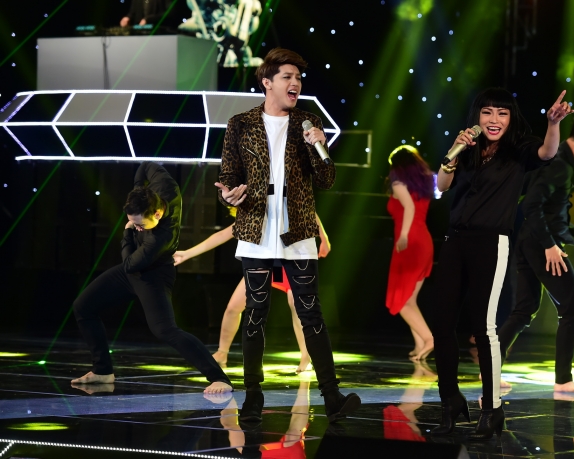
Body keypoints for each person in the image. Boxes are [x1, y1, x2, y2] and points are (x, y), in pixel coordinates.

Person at [215, 47, 360, 423]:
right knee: (256, 311)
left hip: (298, 226)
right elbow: (228, 176)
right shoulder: (241, 123)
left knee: (311, 311)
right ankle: (252, 396)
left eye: (298, 78)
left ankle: (332, 396)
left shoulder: (308, 123)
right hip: (256, 224)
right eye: (287, 77)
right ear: (267, 82)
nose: (295, 83)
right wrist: (227, 195)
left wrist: (319, 144)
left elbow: (327, 179)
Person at [431, 88, 574, 439]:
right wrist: (453, 152)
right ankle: (450, 401)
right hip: (455, 240)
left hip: (491, 242)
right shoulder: (467, 148)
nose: (494, 120)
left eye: (502, 113)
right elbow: (442, 185)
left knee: (484, 327)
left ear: (511, 119)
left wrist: (553, 123)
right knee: (441, 325)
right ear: (477, 117)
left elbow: (547, 152)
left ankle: (492, 409)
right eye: (487, 112)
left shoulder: (519, 149)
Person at [71, 162, 233, 394]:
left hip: (153, 275)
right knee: (83, 307)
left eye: (139, 224)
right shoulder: (165, 187)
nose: (136, 227)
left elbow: (129, 264)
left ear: (157, 214)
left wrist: (127, 232)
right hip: (132, 270)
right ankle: (103, 371)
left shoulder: (160, 237)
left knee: (165, 330)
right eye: (132, 222)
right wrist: (138, 189)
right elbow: (146, 165)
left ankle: (219, 378)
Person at [498, 107, 574, 393]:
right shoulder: (559, 164)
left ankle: (490, 369)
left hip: (529, 240)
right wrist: (550, 244)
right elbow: (531, 205)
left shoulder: (558, 159)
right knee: (573, 311)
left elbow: (543, 204)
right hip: (541, 243)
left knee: (524, 310)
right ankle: (563, 381)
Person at [173, 212, 332, 372]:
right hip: (266, 263)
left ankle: (306, 356)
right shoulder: (249, 217)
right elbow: (221, 235)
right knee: (233, 308)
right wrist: (187, 254)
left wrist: (323, 237)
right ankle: (222, 353)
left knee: (296, 304)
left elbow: (308, 210)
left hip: (290, 259)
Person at [385, 145, 435, 361]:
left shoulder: (398, 183)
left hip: (410, 243)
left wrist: (404, 235)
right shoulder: (422, 185)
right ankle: (420, 344)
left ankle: (429, 339)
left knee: (403, 302)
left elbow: (409, 208)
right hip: (424, 241)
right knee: (410, 300)